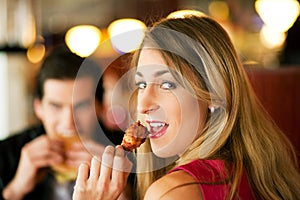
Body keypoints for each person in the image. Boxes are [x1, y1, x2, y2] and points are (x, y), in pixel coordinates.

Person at [73, 14, 300, 199]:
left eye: (167, 83)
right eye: (141, 84)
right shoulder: (256, 172)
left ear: (214, 94)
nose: (143, 103)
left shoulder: (173, 191)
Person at [0, 45, 128, 200]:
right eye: (55, 106)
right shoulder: (6, 154)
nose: (68, 122)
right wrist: (16, 188)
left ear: (100, 107)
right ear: (38, 108)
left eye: (81, 106)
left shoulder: (130, 154)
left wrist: (120, 189)